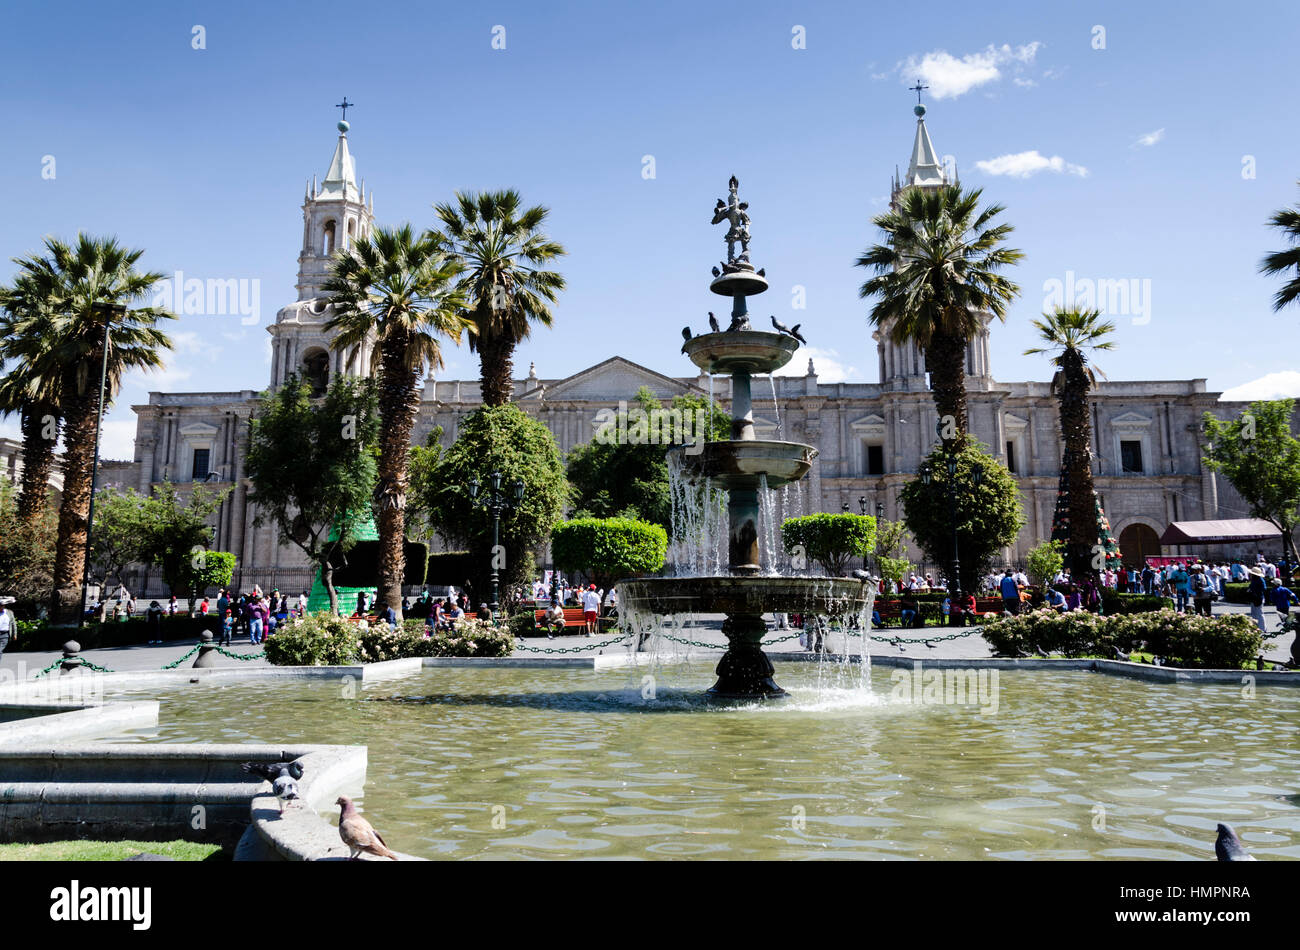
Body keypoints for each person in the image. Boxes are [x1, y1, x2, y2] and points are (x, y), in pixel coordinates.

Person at [1247, 566, 1268, 633]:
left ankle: (1262, 628)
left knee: (1259, 613)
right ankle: (1255, 627)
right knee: (1254, 613)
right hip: (1254, 597)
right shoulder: (1254, 579)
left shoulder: (1260, 579)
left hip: (1259, 597)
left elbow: (1264, 588)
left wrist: (1256, 591)